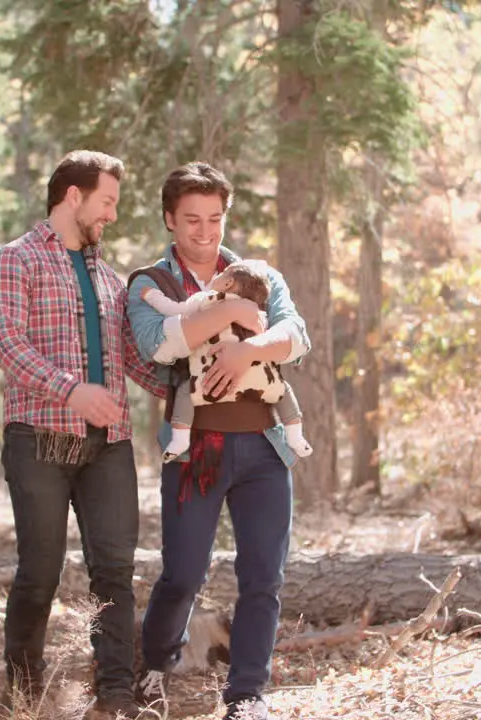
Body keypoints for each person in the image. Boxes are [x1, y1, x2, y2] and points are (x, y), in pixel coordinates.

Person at [0, 150, 166, 718]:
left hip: (108, 445)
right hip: (39, 439)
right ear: (73, 196)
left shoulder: (110, 280)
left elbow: (135, 361)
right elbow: (7, 345)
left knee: (114, 570)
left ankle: (114, 694)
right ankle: (24, 693)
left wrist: (197, 388)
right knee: (39, 569)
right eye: (106, 201)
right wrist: (71, 392)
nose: (111, 214)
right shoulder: (15, 261)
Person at [126, 162, 310, 720]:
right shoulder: (150, 284)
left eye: (215, 219)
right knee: (183, 571)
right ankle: (154, 668)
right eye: (191, 220)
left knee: (263, 575)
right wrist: (229, 311)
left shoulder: (259, 274)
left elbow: (294, 336)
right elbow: (159, 344)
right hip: (195, 448)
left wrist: (247, 351)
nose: (205, 232)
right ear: (169, 220)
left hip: (264, 445)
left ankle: (247, 693)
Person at [136, 261, 312, 463]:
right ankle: (296, 436)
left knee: (185, 393)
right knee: (283, 391)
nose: (217, 275)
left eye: (222, 274)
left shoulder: (205, 300)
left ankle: (180, 440)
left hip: (210, 380)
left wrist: (151, 295)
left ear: (228, 283)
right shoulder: (258, 312)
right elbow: (272, 333)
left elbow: (172, 309)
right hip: (259, 379)